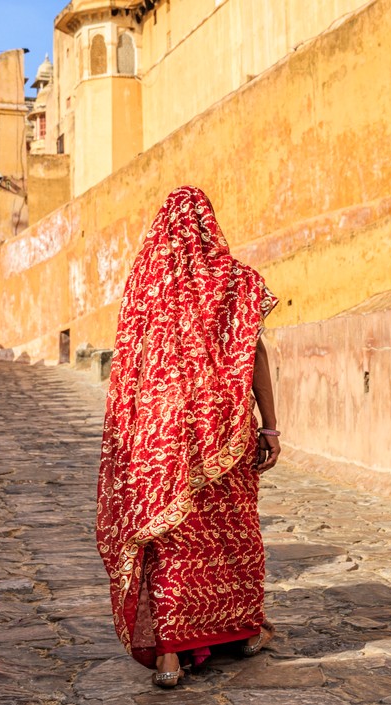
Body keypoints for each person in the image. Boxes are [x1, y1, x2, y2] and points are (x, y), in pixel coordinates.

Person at [96, 186, 281, 688]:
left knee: (172, 540)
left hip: (163, 440)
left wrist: (132, 440)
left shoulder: (143, 285)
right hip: (226, 434)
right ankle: (242, 631)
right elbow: (254, 353)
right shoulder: (235, 281)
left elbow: (129, 372)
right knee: (230, 534)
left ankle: (171, 658)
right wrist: (270, 423)